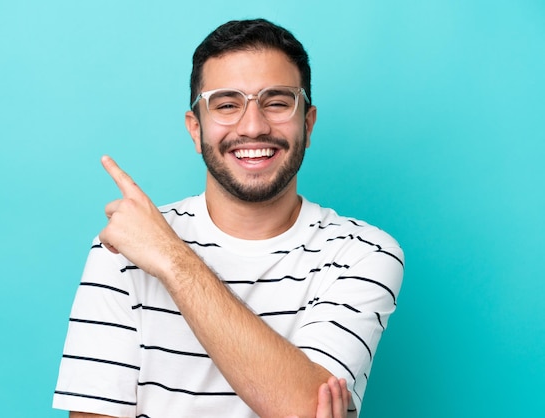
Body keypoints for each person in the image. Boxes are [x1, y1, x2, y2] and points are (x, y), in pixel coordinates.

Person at [53, 18, 404, 418]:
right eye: (226, 105)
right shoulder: (125, 247)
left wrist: (172, 260)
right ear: (195, 128)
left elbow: (305, 409)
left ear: (307, 123)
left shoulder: (364, 253)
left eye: (277, 102)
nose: (253, 127)